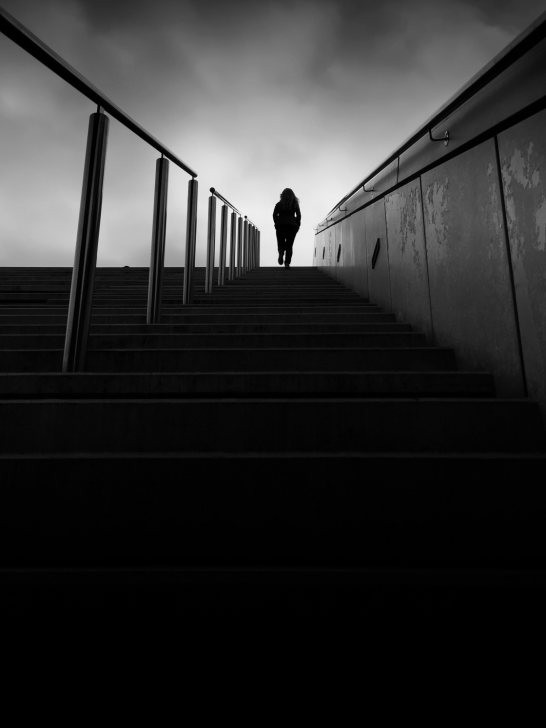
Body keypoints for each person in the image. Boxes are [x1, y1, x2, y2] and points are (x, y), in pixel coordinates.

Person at [273, 188, 301, 268]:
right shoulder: (295, 204)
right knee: (289, 245)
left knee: (280, 242)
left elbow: (274, 215)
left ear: (282, 195)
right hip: (292, 226)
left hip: (280, 226)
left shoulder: (279, 204)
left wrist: (276, 223)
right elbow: (298, 215)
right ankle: (287, 263)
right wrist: (297, 225)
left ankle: (281, 253)